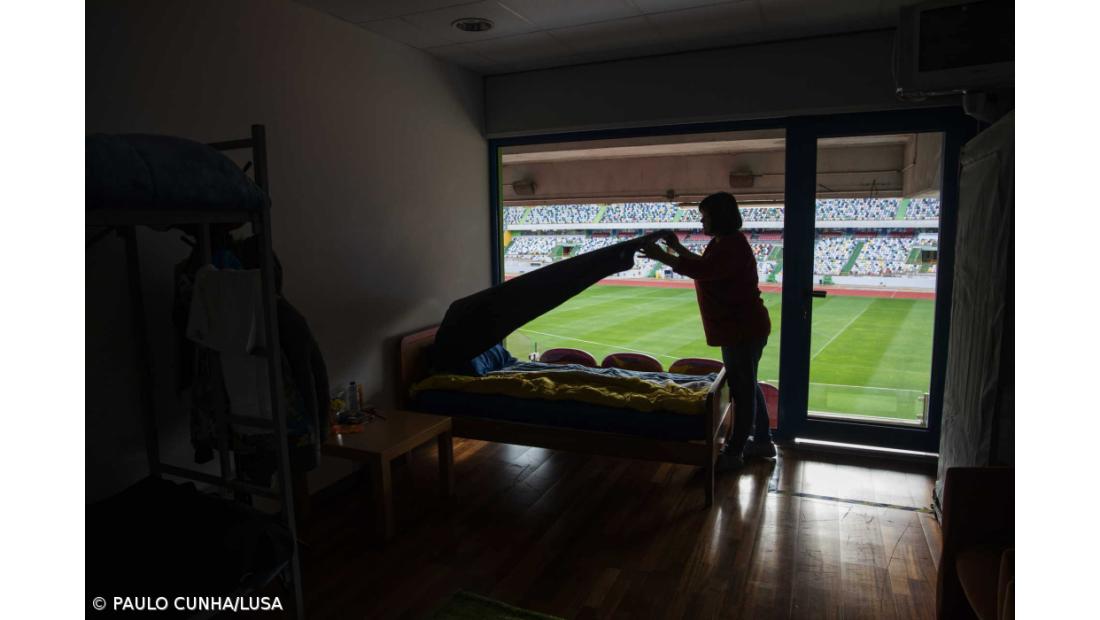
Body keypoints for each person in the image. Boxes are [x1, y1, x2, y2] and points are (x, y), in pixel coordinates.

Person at [639, 192, 775, 471]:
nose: (702, 220)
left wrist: (663, 255)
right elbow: (703, 265)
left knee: (742, 389)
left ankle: (735, 452)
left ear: (719, 217)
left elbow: (702, 270)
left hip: (741, 329)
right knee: (748, 383)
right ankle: (762, 441)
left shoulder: (731, 246)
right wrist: (676, 247)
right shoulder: (724, 242)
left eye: (705, 215)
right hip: (742, 327)